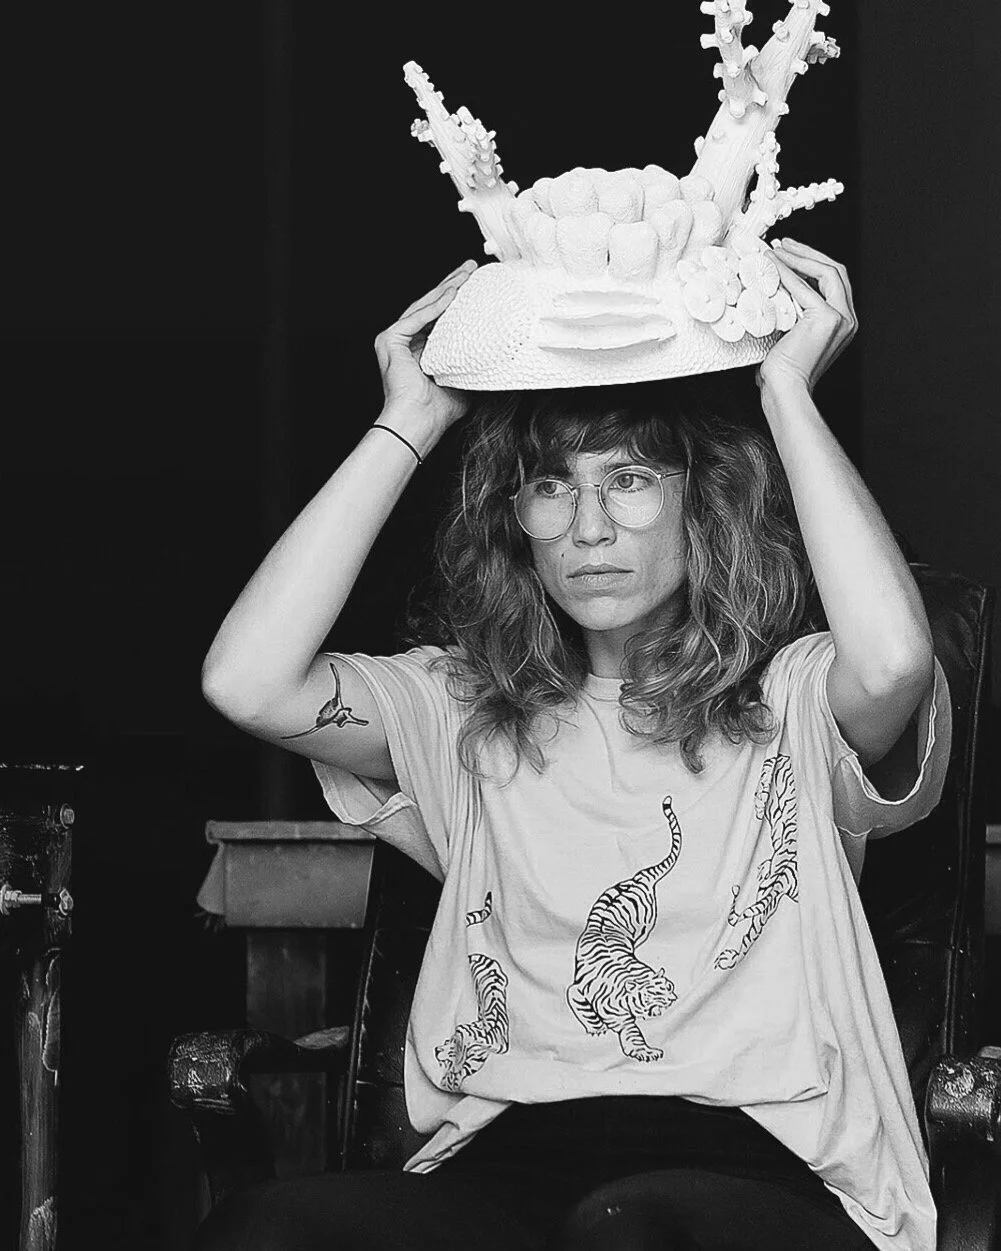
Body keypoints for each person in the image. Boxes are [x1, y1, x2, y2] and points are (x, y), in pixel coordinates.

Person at [196, 240, 950, 1251]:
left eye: (631, 479)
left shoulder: (794, 693)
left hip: (756, 1160)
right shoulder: (458, 709)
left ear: (702, 501)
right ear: (518, 521)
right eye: (552, 489)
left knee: (624, 1229)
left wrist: (784, 395)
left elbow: (897, 661)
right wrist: (409, 419)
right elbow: (245, 682)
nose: (588, 526)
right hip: (507, 1159)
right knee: (266, 1228)